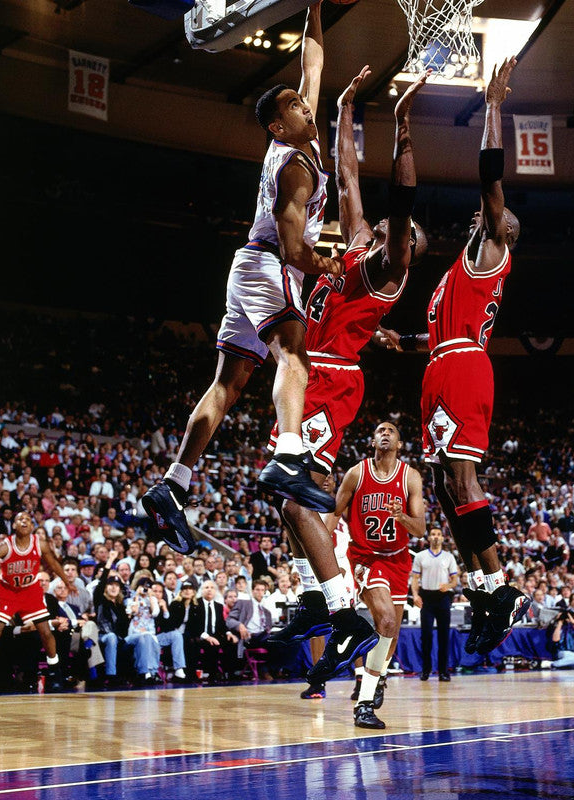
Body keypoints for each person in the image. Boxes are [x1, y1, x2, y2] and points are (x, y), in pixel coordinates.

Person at [141, 2, 338, 555]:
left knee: (228, 385)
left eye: (302, 101)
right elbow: (296, 248)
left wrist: (315, 12)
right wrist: (328, 267)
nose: (306, 105)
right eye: (296, 106)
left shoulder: (305, 140)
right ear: (279, 125)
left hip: (251, 267)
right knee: (294, 356)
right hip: (268, 264)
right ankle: (288, 458)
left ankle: (172, 486)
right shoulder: (294, 164)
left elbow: (314, 67)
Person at [266, 66, 429, 688]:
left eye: (404, 233)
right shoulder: (360, 237)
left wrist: (406, 125)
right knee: (289, 498)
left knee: (294, 492)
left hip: (333, 377)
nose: (393, 230)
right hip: (311, 369)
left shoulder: (390, 268)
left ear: (408, 245)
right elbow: (349, 174)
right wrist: (345, 106)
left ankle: (334, 605)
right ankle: (319, 596)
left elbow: (400, 196)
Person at [375, 57, 528, 655]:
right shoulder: (452, 277)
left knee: (462, 479)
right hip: (441, 363)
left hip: (464, 369)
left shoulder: (493, 246)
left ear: (502, 230)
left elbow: (491, 178)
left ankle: (500, 586)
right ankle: (488, 589)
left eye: (490, 218)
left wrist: (492, 105)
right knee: (440, 484)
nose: (479, 216)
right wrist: (405, 342)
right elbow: (439, 336)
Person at [328, 421, 426, 729]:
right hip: (366, 556)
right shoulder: (357, 473)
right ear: (373, 441)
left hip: (398, 559)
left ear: (399, 444)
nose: (385, 434)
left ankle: (376, 676)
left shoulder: (410, 477)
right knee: (383, 619)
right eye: (380, 430)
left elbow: (420, 529)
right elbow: (333, 513)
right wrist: (312, 561)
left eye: (391, 431)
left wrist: (402, 517)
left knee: (392, 631)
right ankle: (365, 703)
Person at [0, 511, 77, 692]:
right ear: (14, 526)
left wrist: (67, 582)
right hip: (7, 591)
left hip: (30, 592)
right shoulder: (4, 547)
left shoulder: (40, 544)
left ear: (32, 526)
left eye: (27, 519)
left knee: (45, 631)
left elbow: (55, 564)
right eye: (20, 519)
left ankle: (54, 671)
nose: (24, 521)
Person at [411, 526, 458, 684]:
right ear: (429, 538)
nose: (436, 537)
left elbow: (455, 581)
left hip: (443, 597)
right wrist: (416, 595)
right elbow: (415, 578)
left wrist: (449, 586)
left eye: (438, 534)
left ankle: (444, 672)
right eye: (433, 534)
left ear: (442, 538)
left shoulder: (449, 557)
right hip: (427, 597)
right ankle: (426, 670)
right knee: (426, 636)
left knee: (444, 635)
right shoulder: (420, 556)